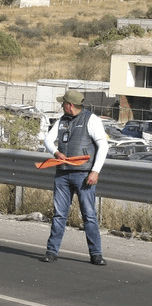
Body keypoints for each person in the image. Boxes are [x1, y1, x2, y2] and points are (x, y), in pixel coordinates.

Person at [41, 90, 109, 265]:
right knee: (59, 215)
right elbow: (48, 140)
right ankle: (51, 251)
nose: (61, 106)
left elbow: (103, 146)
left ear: (70, 105)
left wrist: (95, 171)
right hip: (62, 174)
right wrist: (55, 152)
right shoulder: (62, 120)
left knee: (89, 216)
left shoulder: (91, 120)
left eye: (63, 103)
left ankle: (96, 254)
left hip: (84, 175)